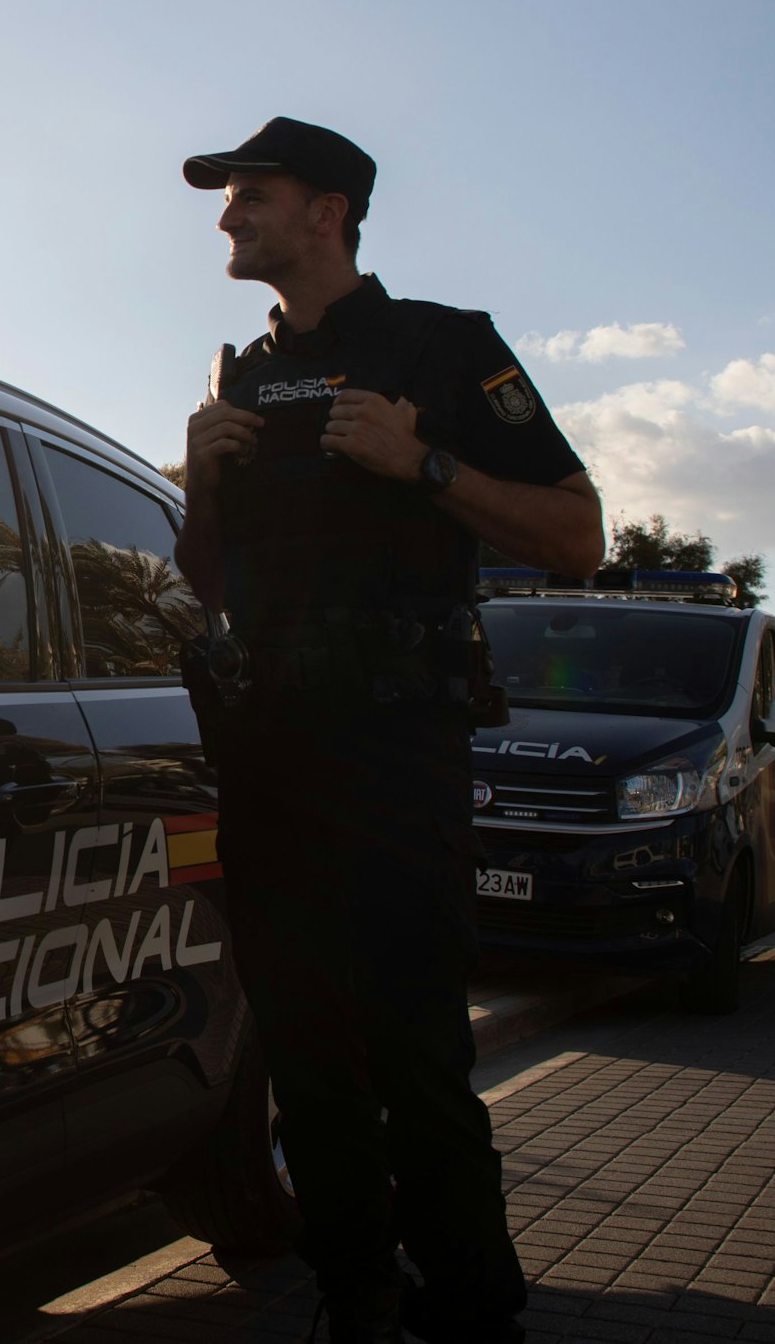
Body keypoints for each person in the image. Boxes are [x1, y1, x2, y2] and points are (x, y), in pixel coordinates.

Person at [172, 117, 604, 1343]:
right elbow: (201, 582)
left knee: (414, 1053)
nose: (225, 217)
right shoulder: (238, 376)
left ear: (327, 210)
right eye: (225, 198)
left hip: (394, 750)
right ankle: (353, 1297)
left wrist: (422, 468)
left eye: (250, 194)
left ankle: (470, 1308)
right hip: (268, 753)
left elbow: (578, 535)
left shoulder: (442, 346)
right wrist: (197, 482)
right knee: (303, 1059)